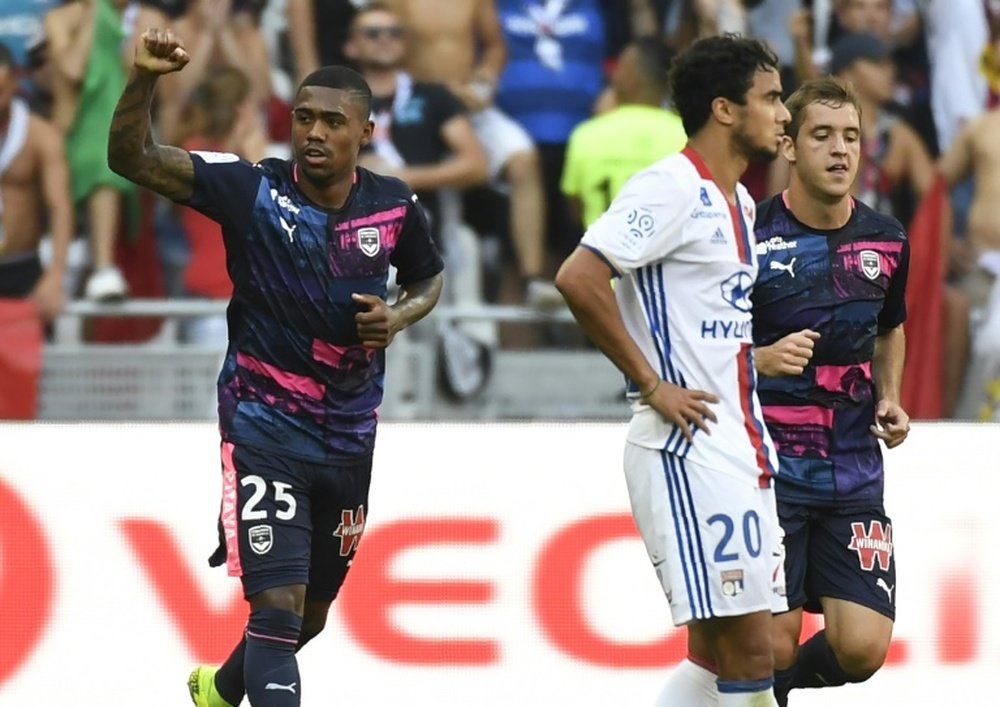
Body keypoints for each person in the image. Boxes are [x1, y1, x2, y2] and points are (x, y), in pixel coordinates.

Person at [107, 28, 444, 707]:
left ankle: (217, 692)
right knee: (277, 608)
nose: (314, 132)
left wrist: (398, 317)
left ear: (365, 131)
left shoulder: (394, 204)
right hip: (265, 425)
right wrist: (143, 79)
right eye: (304, 118)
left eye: (332, 121)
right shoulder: (250, 189)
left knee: (310, 616)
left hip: (350, 435)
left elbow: (429, 279)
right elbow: (132, 158)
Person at [555, 35, 791, 707]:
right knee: (748, 648)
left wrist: (752, 360)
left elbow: (706, 324)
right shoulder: (670, 185)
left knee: (737, 651)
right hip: (688, 448)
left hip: (737, 444)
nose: (784, 114)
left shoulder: (739, 203)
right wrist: (651, 382)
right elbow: (579, 276)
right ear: (724, 109)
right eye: (771, 98)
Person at [750, 78, 910, 706]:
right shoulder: (749, 236)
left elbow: (890, 326)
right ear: (788, 145)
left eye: (850, 137)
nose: (841, 150)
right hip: (769, 473)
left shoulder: (888, 238)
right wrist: (760, 357)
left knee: (863, 650)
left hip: (852, 471)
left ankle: (779, 687)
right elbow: (705, 341)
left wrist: (890, 397)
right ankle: (765, 682)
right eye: (822, 136)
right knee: (773, 642)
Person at [385, 0, 554, 303]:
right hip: (417, 104)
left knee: (523, 159)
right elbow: (386, 44)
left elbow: (495, 45)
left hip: (465, 101)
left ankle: (532, 280)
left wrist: (484, 81)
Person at [45, 0, 135, 300]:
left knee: (103, 159)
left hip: (115, 121)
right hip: (70, 122)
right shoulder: (58, 19)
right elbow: (73, 69)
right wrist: (94, 14)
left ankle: (103, 267)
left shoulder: (139, 18)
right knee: (95, 155)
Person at [561, 38, 686, 230]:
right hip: (669, 257)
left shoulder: (586, 135)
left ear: (629, 78)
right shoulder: (687, 136)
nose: (613, 74)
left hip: (601, 255)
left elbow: (575, 208)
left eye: (619, 67)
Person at [0, 42, 74, 324]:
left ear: (15, 81)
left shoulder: (41, 136)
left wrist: (56, 275)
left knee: (31, 364)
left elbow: (59, 207)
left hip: (23, 268)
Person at [939, 104, 1000, 421]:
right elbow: (935, 186)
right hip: (981, 269)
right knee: (980, 349)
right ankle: (961, 433)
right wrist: (943, 242)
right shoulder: (982, 127)